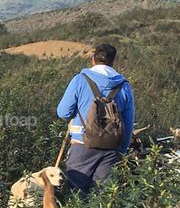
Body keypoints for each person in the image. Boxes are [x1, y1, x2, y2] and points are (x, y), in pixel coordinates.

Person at [56, 43, 135, 194]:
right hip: (111, 148)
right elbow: (128, 123)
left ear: (93, 59)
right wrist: (122, 149)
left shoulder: (80, 79)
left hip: (82, 144)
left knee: (76, 195)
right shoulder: (124, 86)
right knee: (103, 198)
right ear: (113, 62)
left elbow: (63, 112)